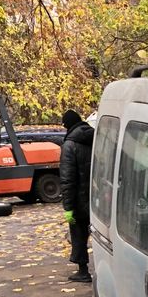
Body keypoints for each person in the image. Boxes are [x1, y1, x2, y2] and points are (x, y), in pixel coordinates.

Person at [59, 110, 94, 282]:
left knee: (78, 234)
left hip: (79, 201)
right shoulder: (95, 137)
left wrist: (68, 208)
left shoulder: (70, 145)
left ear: (67, 125)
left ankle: (83, 271)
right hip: (99, 198)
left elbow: (68, 180)